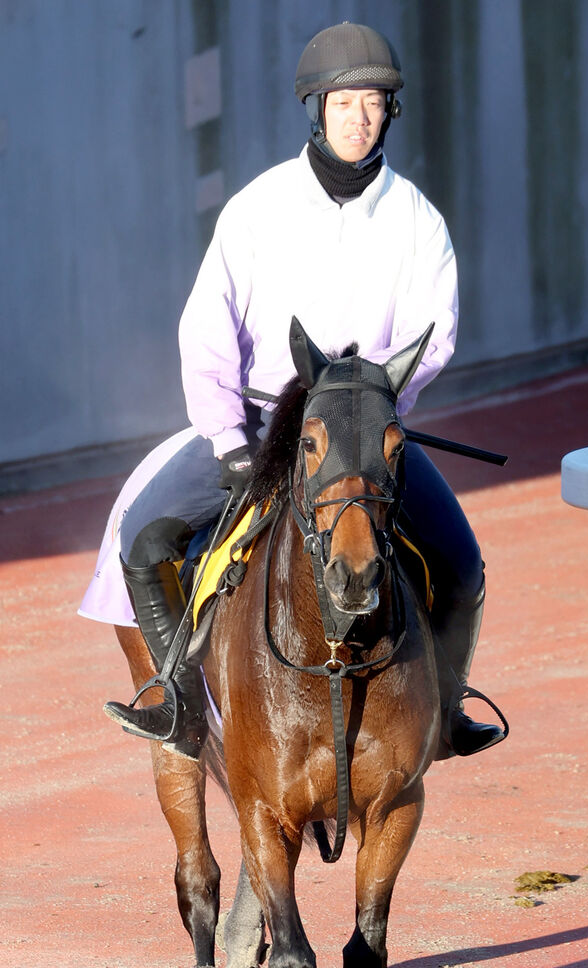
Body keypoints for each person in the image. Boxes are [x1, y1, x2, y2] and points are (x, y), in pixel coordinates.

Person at [102, 22, 505, 762]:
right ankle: (181, 706)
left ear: (390, 113)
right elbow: (207, 328)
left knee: (465, 565)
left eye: (373, 103)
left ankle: (446, 712)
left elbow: (433, 335)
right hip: (258, 421)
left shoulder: (417, 220)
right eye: (344, 101)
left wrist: (363, 402)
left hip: (363, 427)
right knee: (142, 537)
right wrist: (227, 440)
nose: (359, 117)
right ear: (316, 108)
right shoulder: (257, 208)